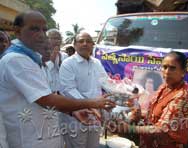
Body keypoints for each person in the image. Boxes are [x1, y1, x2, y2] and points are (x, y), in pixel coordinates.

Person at [0, 10, 115, 148]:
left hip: (47, 132)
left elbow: (46, 97)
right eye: (34, 29)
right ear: (17, 31)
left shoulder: (31, 59)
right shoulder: (16, 60)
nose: (41, 35)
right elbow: (46, 99)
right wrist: (92, 103)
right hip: (29, 139)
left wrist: (73, 111)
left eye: (44, 30)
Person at [109, 51, 188, 148]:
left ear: (183, 72)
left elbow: (161, 129)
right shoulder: (164, 87)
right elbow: (153, 115)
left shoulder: (181, 96)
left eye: (172, 68)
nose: (167, 71)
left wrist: (129, 128)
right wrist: (135, 114)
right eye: (165, 67)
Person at [59, 32, 109, 148]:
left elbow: (106, 82)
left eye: (88, 41)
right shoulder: (68, 64)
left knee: (93, 145)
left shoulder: (96, 63)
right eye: (81, 41)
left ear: (93, 45)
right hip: (75, 116)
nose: (85, 44)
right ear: (75, 45)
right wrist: (90, 104)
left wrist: (123, 91)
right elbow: (68, 89)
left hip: (95, 115)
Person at [46, 28, 68, 93]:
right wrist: (52, 59)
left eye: (59, 39)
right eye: (54, 38)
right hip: (48, 92)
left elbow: (67, 73)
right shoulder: (41, 55)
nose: (57, 41)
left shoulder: (65, 56)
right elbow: (45, 71)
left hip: (62, 92)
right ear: (47, 40)